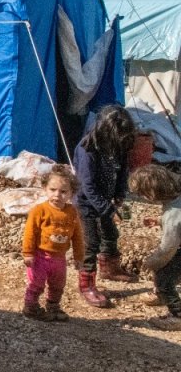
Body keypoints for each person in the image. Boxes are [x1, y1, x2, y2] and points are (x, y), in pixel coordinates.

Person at [72, 104, 139, 308]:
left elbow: (122, 171)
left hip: (105, 200)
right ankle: (87, 284)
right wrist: (108, 209)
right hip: (85, 204)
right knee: (90, 244)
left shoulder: (117, 146)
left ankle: (110, 268)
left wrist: (119, 194)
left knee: (111, 235)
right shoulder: (87, 149)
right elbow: (87, 186)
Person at [20, 165, 83, 321]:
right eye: (53, 190)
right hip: (40, 256)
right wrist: (28, 253)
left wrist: (79, 257)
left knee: (58, 285)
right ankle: (31, 307)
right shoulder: (39, 210)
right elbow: (30, 233)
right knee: (36, 283)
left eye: (63, 192)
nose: (57, 195)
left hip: (59, 258)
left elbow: (77, 236)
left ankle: (53, 307)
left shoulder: (72, 212)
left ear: (71, 193)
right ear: (45, 188)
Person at [128, 164, 181, 330]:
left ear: (152, 193)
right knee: (165, 271)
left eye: (143, 194)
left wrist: (151, 262)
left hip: (177, 248)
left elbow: (167, 248)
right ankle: (160, 294)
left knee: (165, 278)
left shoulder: (173, 214)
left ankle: (177, 314)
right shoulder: (176, 199)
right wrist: (159, 220)